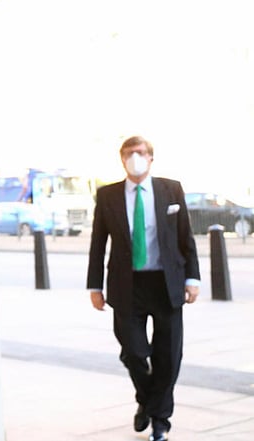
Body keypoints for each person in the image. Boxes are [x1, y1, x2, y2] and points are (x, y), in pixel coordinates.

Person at [86, 135, 200, 441]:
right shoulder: (108, 195)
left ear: (151, 157)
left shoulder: (171, 189)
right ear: (121, 159)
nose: (134, 158)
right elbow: (98, 243)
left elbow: (185, 237)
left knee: (168, 355)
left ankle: (159, 420)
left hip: (166, 283)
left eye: (140, 152)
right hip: (127, 285)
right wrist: (94, 286)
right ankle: (147, 400)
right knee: (134, 352)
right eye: (128, 153)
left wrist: (193, 278)